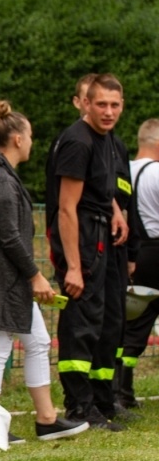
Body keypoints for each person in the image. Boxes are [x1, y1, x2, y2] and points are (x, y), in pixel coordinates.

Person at [0, 100, 89, 443]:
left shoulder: (0, 175)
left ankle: (46, 419)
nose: (32, 142)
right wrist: (35, 276)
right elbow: (10, 237)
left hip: (9, 282)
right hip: (0, 283)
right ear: (17, 139)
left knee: (38, 341)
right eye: (29, 135)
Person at [45, 73, 129, 431]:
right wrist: (74, 267)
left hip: (101, 233)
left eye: (114, 105)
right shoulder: (78, 141)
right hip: (81, 237)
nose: (108, 111)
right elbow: (67, 208)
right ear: (87, 104)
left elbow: (100, 187)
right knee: (82, 323)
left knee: (108, 320)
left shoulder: (106, 139)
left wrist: (116, 211)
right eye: (102, 104)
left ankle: (101, 400)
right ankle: (79, 406)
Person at [118, 118, 159, 408]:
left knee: (134, 321)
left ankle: (122, 390)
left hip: (132, 253)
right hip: (156, 247)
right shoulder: (156, 172)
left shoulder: (124, 170)